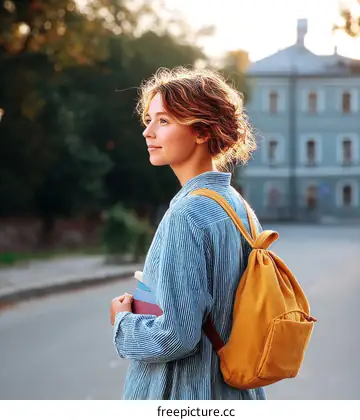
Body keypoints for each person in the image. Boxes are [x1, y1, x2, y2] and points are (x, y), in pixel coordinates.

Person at [110, 66, 266, 400]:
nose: (148, 132)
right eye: (148, 120)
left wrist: (123, 322)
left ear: (201, 132)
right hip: (235, 393)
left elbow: (176, 337)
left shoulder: (187, 215)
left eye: (163, 121)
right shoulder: (237, 207)